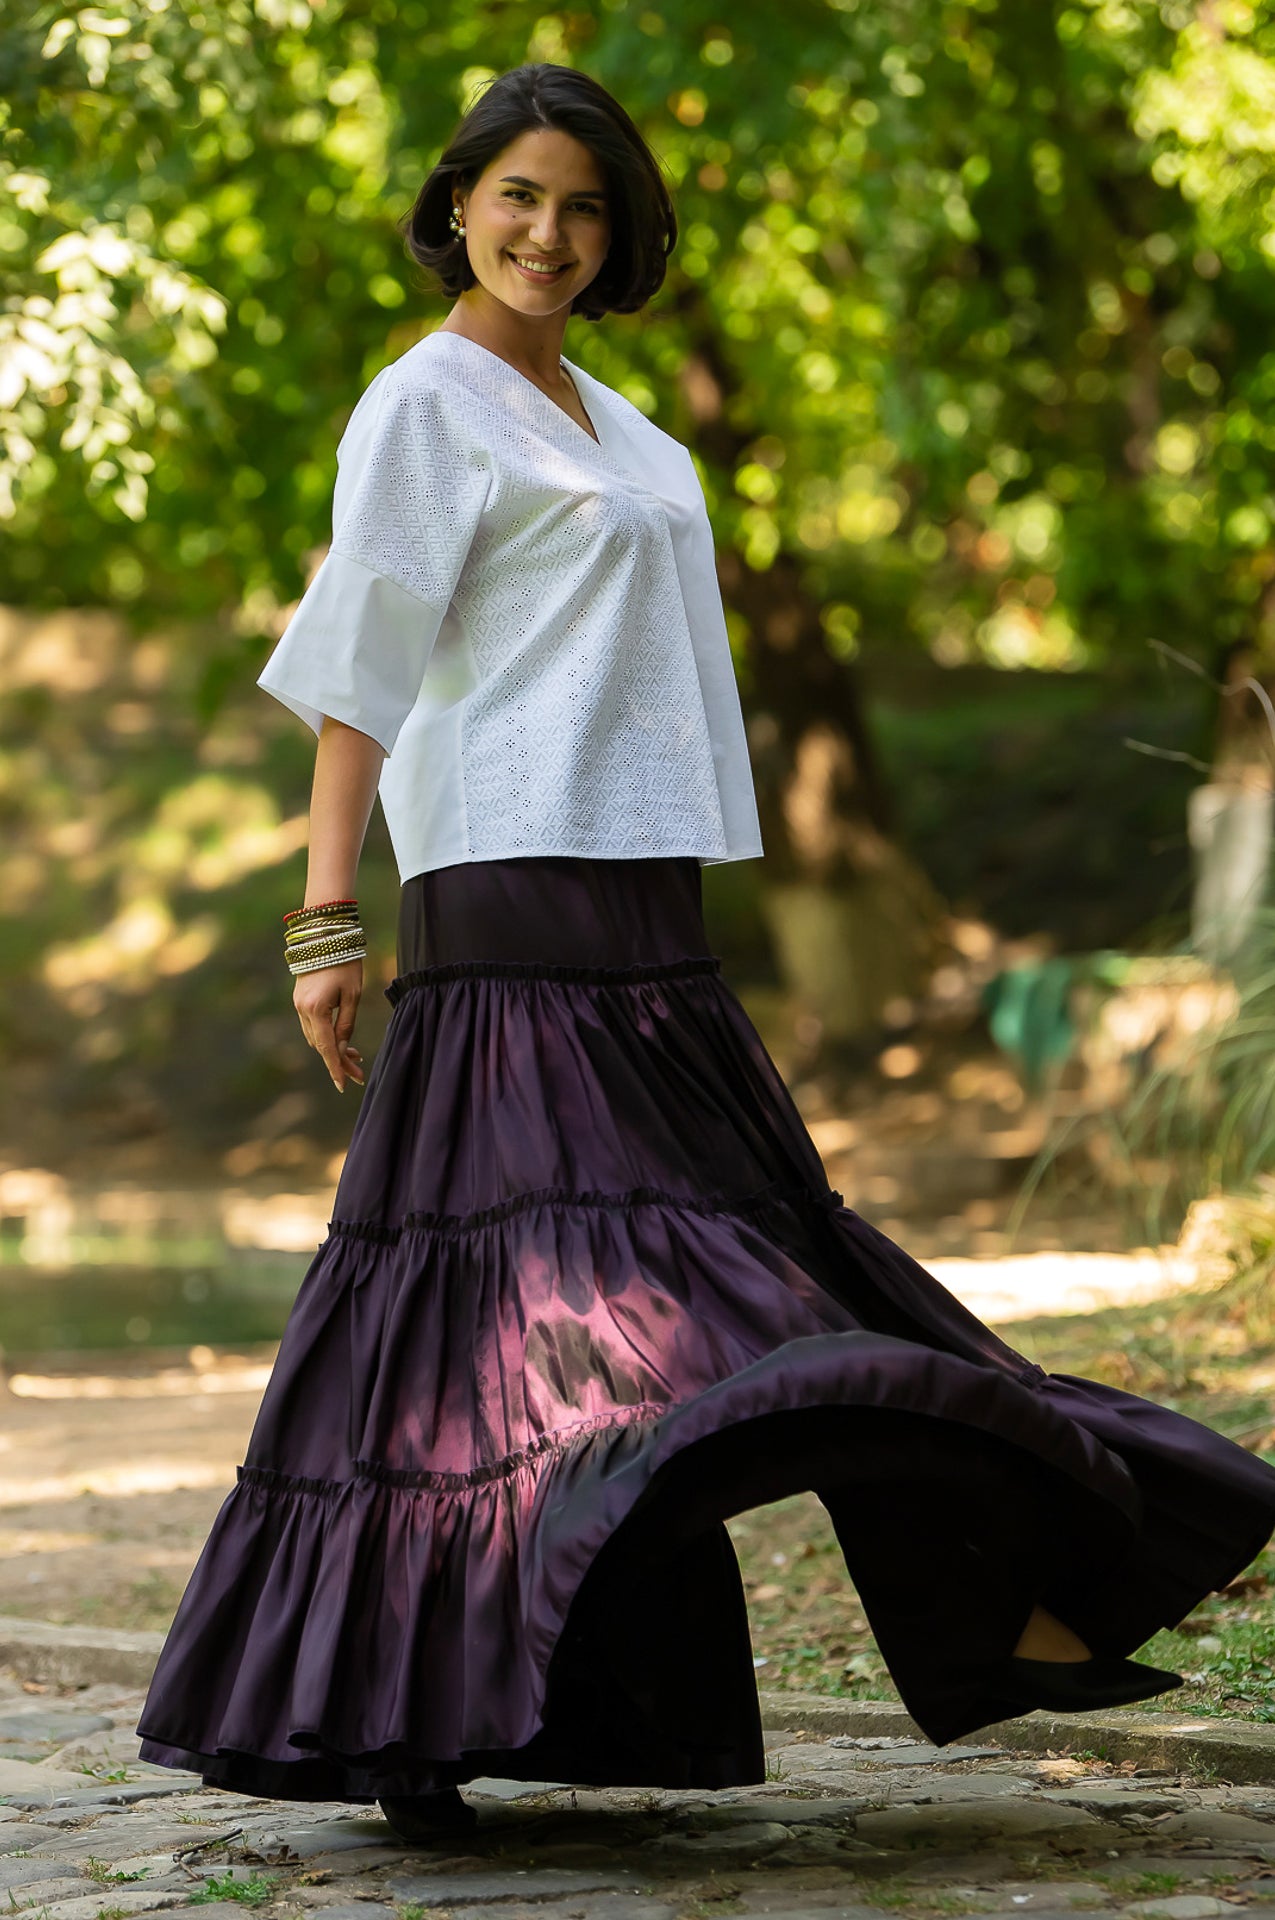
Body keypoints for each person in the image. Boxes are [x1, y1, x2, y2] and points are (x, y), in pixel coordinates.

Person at [135, 62, 1275, 1843]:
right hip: (509, 907)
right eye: (518, 195)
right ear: (458, 204)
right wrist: (328, 918)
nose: (548, 234)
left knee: (751, 1285)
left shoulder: (624, 427)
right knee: (538, 1320)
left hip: (650, 920)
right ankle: (419, 1712)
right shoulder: (421, 405)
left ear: (622, 232)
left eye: (585, 206)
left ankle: (992, 1607)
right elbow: (359, 671)